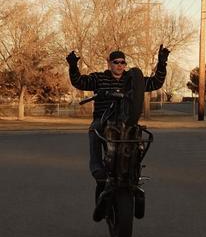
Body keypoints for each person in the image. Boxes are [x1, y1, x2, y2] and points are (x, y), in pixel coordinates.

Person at [66, 46, 170, 185]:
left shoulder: (132, 79)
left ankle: (135, 168)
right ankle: (97, 168)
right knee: (94, 130)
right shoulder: (99, 78)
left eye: (123, 62)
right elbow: (79, 82)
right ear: (109, 64)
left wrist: (162, 64)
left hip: (126, 119)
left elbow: (155, 83)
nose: (120, 65)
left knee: (138, 135)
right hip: (103, 118)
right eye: (116, 62)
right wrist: (73, 66)